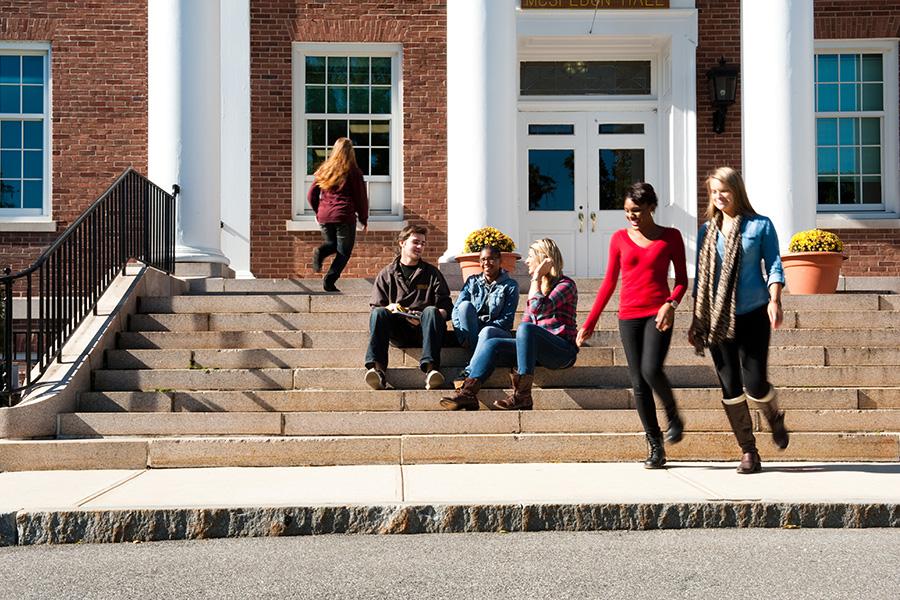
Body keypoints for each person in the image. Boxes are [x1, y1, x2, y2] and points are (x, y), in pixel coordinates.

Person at [577, 182, 688, 469]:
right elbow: (609, 283)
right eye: (627, 212)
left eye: (636, 211)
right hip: (628, 316)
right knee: (638, 383)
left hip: (658, 313)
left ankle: (673, 415)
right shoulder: (618, 239)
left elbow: (683, 282)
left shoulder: (671, 237)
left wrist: (671, 304)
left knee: (651, 369)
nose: (631, 217)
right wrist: (589, 323)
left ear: (651, 207)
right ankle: (655, 445)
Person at [688, 166, 789, 475]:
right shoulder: (707, 231)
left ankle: (772, 415)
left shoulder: (760, 226)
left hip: (754, 313)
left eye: (725, 191)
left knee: (755, 384)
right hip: (718, 319)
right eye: (714, 192)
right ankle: (749, 451)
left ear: (737, 191)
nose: (719, 196)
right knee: (730, 387)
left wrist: (775, 300)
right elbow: (701, 281)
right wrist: (696, 320)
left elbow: (773, 264)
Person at [440, 238, 578, 411]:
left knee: (525, 329)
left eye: (530, 256)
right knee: (493, 343)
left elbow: (537, 310)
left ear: (544, 259)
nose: (526, 261)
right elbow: (528, 320)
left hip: (561, 352)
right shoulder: (537, 288)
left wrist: (536, 278)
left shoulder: (565, 285)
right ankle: (468, 393)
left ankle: (522, 396)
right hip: (535, 351)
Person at [365, 224, 453, 391]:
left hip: (425, 331)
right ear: (402, 243)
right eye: (416, 242)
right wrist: (391, 309)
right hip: (398, 331)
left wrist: (427, 317)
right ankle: (377, 371)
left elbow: (446, 306)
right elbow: (376, 306)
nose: (420, 247)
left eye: (423, 243)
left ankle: (431, 370)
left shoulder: (432, 274)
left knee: (431, 311)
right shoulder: (386, 274)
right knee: (378, 313)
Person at [307, 137, 368, 292]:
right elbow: (361, 198)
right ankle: (329, 280)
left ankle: (321, 251)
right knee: (344, 251)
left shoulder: (324, 170)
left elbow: (311, 195)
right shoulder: (354, 172)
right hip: (344, 216)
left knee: (332, 245)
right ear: (351, 152)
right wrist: (363, 219)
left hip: (325, 216)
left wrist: (318, 211)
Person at [451, 245, 520, 374]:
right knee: (464, 306)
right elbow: (456, 310)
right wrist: (461, 333)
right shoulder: (472, 281)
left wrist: (482, 330)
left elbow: (507, 319)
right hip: (471, 330)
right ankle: (478, 357)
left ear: (500, 261)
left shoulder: (510, 286)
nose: (486, 263)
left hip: (497, 331)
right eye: (483, 259)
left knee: (486, 331)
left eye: (491, 259)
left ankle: (470, 370)